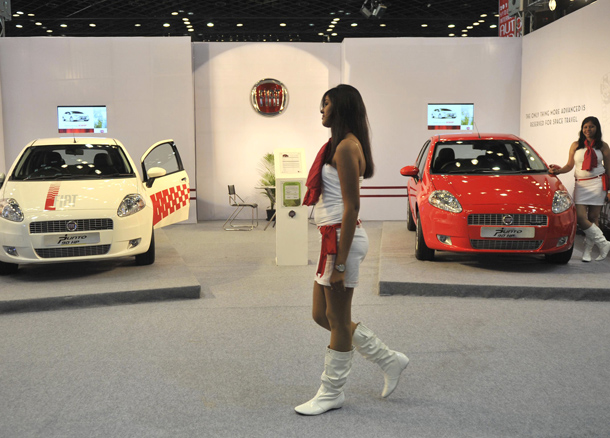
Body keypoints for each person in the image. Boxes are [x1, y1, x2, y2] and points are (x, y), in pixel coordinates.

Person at [295, 84, 409, 416]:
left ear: (342, 108)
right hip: (331, 239)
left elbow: (352, 207)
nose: (322, 109)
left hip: (340, 242)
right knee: (322, 316)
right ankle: (389, 359)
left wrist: (341, 262)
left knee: (339, 320)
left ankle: (332, 392)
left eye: (326, 104)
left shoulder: (345, 148)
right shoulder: (338, 145)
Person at [549, 116, 610, 261]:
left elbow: (608, 169)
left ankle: (587, 252)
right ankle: (604, 243)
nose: (588, 129)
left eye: (591, 127)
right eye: (585, 127)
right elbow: (570, 165)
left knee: (593, 218)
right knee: (581, 218)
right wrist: (558, 171)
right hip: (581, 184)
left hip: (597, 184)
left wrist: (609, 190)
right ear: (582, 129)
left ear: (597, 128)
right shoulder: (576, 145)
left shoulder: (603, 146)